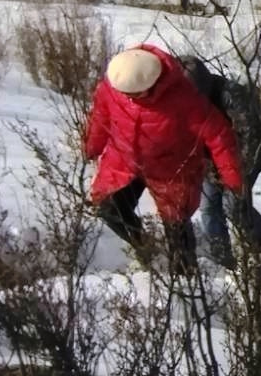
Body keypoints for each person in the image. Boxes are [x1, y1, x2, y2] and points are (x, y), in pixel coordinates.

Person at [83, 45, 244, 272]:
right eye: (124, 95)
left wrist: (232, 177)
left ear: (151, 85)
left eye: (134, 95)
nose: (128, 99)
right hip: (124, 162)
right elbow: (101, 117)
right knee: (110, 208)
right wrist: (91, 147)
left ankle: (185, 280)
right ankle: (146, 248)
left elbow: (218, 136)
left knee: (177, 228)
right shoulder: (112, 86)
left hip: (172, 169)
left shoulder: (184, 99)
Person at [181, 53, 261, 265]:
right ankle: (221, 257)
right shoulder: (186, 100)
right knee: (209, 206)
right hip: (211, 161)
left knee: (234, 205)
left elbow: (251, 133)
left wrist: (240, 168)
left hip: (243, 156)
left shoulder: (231, 94)